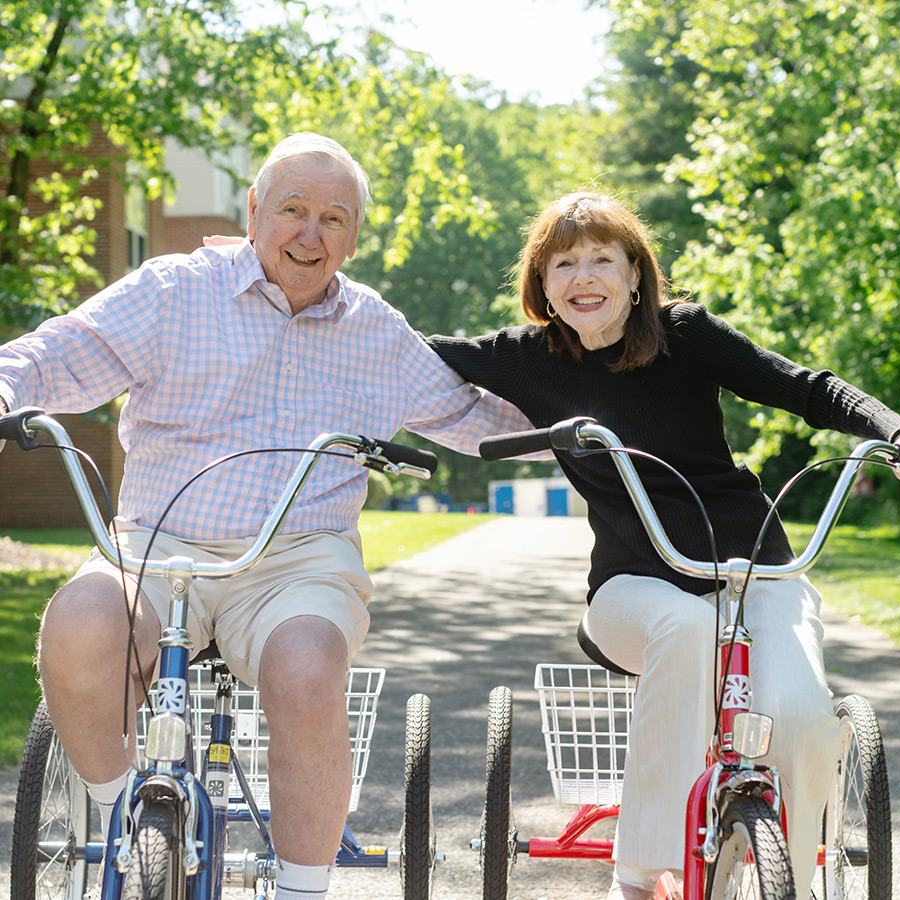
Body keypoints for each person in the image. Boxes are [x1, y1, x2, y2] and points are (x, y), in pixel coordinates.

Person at [0, 132, 537, 900]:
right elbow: (58, 353)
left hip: (298, 559)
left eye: (333, 218)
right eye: (291, 210)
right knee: (82, 624)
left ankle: (300, 888)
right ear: (253, 211)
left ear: (353, 236)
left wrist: (594, 420)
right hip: (156, 546)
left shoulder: (374, 330)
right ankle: (123, 817)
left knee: (309, 669)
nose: (309, 235)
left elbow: (475, 418)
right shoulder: (174, 291)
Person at [427, 190, 900, 900]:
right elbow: (402, 350)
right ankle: (636, 876)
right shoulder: (526, 358)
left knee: (806, 719)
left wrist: (896, 430)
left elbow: (805, 388)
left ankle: (800, 875)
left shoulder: (686, 334)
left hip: (755, 569)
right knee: (686, 627)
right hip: (634, 589)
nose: (583, 277)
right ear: (541, 285)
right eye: (562, 263)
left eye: (603, 258)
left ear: (636, 275)